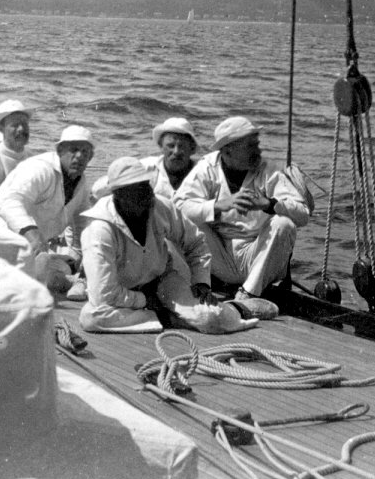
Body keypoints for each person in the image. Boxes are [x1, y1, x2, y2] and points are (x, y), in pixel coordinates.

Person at [79, 157, 248, 334]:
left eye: (146, 185)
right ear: (119, 195)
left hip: (162, 282)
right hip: (122, 294)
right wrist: (144, 299)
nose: (148, 194)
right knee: (91, 317)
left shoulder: (160, 206)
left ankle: (237, 309)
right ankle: (166, 318)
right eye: (137, 190)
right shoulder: (99, 230)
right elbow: (104, 295)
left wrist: (201, 281)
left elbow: (196, 242)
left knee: (208, 317)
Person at [173, 116, 312, 319]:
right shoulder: (208, 167)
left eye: (257, 144)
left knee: (284, 223)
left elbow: (303, 214)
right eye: (250, 146)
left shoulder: (269, 170)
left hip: (258, 256)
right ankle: (197, 285)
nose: (258, 151)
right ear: (228, 150)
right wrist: (218, 206)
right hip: (218, 257)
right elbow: (177, 208)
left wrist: (269, 204)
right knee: (188, 221)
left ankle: (248, 294)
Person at [0, 125, 96, 290]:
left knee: (65, 267)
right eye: (74, 150)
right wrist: (34, 236)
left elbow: (82, 224)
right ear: (60, 151)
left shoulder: (81, 184)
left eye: (85, 152)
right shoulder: (40, 169)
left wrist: (82, 256)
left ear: (90, 158)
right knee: (47, 272)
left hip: (27, 250)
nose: (79, 156)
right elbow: (9, 202)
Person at [146, 117, 201, 197]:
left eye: (182, 146)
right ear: (161, 146)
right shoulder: (146, 169)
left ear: (191, 148)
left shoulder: (204, 174)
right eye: (171, 146)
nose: (176, 152)